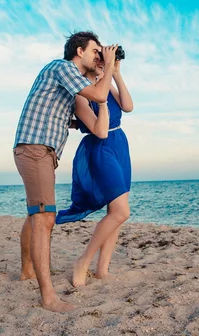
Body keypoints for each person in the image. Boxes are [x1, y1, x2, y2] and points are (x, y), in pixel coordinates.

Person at [13, 31, 118, 312]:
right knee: (45, 218)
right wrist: (107, 67)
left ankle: (26, 271)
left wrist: (106, 76)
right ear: (79, 51)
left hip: (41, 151)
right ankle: (48, 297)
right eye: (95, 50)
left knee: (36, 213)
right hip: (35, 148)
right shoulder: (61, 67)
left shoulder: (70, 87)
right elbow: (97, 92)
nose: (99, 55)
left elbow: (99, 127)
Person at [55, 54, 133, 287]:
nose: (101, 60)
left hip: (119, 144)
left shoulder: (107, 82)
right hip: (99, 148)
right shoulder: (80, 94)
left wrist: (116, 73)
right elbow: (98, 128)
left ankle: (102, 269)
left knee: (115, 213)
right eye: (98, 56)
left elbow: (128, 106)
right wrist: (103, 88)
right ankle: (83, 261)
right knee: (121, 211)